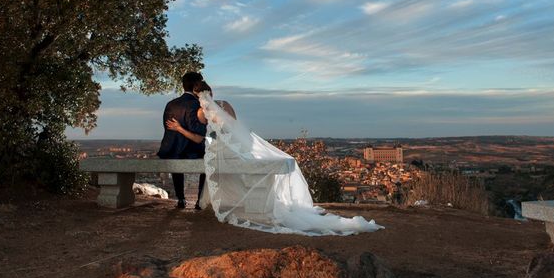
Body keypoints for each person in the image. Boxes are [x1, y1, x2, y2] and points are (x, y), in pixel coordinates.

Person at [168, 85, 384, 236]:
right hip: (234, 148)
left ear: (198, 97)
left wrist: (179, 128)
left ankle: (237, 205)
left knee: (221, 170)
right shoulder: (225, 105)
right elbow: (234, 128)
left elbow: (200, 136)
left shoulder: (200, 112)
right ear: (211, 93)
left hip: (220, 151)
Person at [157, 71, 207, 209]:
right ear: (197, 85)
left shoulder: (170, 104)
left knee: (176, 154)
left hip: (171, 149)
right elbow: (198, 131)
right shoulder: (196, 104)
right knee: (210, 156)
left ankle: (181, 199)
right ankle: (200, 200)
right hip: (190, 150)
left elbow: (167, 128)